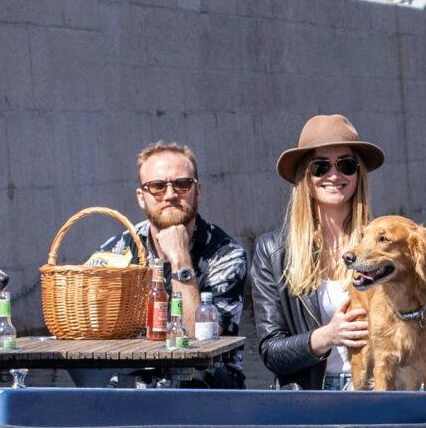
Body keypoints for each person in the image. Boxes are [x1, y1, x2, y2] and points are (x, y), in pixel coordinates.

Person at [96, 139, 249, 388]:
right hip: (132, 380)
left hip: (205, 386)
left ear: (197, 190)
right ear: (141, 197)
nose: (170, 195)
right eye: (156, 186)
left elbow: (199, 342)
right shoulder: (119, 250)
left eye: (182, 184)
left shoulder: (226, 255)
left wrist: (180, 260)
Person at [249, 114, 380, 389]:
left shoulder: (383, 248)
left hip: (376, 388)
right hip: (308, 397)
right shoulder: (272, 251)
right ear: (305, 177)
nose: (334, 175)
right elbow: (271, 351)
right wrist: (328, 336)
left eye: (346, 165)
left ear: (358, 174)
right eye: (320, 167)